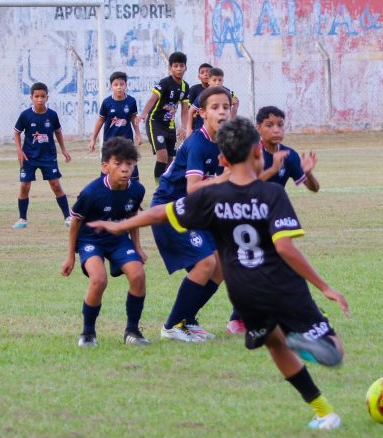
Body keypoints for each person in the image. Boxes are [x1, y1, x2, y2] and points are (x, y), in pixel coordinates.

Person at [89, 116, 351, 430]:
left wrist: (121, 224)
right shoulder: (272, 195)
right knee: (334, 351)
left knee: (274, 345)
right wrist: (324, 287)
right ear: (258, 151)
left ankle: (323, 412)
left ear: (223, 159)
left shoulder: (211, 196)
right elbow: (285, 249)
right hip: (282, 285)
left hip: (244, 291)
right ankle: (303, 347)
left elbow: (162, 212)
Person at [149, 86, 232, 342]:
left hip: (194, 211)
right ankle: (172, 325)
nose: (221, 112)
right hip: (169, 209)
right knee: (206, 263)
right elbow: (193, 188)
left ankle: (189, 319)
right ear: (202, 114)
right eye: (215, 107)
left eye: (226, 107)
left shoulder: (226, 143)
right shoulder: (197, 143)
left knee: (221, 265)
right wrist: (225, 179)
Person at [62, 137, 148, 347]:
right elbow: (75, 223)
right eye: (118, 164)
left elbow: (132, 217)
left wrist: (137, 247)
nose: (125, 169)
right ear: (105, 166)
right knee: (99, 279)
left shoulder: (137, 190)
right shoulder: (92, 193)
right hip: (91, 240)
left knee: (138, 275)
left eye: (129, 164)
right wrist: (70, 257)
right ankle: (88, 333)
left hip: (119, 240)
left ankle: (132, 331)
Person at [12, 82, 72, 229]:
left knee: (56, 185)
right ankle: (22, 219)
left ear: (47, 97)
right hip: (29, 157)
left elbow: (58, 131)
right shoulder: (25, 115)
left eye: (42, 96)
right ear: (31, 97)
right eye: (37, 96)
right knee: (24, 186)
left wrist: (63, 149)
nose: (40, 99)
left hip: (48, 157)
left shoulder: (52, 115)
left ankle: (68, 217)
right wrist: (19, 150)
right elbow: (17, 132)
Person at [139, 51, 190, 182]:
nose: (179, 69)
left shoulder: (185, 87)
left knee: (171, 159)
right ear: (170, 68)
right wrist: (143, 114)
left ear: (186, 68)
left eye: (181, 66)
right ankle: (158, 188)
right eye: (175, 66)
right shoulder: (164, 83)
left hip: (170, 125)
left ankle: (166, 186)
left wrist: (184, 127)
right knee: (162, 155)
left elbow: (185, 111)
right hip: (155, 122)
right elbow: (152, 99)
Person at [88, 71, 142, 179]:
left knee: (132, 170)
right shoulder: (107, 102)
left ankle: (134, 192)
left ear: (126, 85)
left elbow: (133, 118)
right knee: (107, 171)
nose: (119, 87)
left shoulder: (131, 101)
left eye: (121, 84)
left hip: (127, 141)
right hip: (110, 142)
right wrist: (93, 138)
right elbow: (100, 120)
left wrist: (138, 134)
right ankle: (104, 192)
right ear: (111, 86)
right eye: (116, 85)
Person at [255, 106, 319, 192]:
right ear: (258, 129)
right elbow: (246, 186)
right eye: (269, 125)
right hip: (250, 205)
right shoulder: (250, 154)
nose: (276, 130)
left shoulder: (290, 155)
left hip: (276, 204)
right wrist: (274, 169)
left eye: (280, 125)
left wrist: (308, 174)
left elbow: (314, 188)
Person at [190, 68, 240, 132]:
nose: (217, 83)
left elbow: (236, 101)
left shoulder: (227, 92)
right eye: (214, 80)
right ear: (209, 81)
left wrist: (233, 113)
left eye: (220, 80)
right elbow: (190, 111)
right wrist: (189, 129)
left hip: (220, 129)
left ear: (223, 80)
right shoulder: (203, 95)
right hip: (203, 128)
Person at [184, 62, 212, 132]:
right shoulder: (193, 89)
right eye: (202, 72)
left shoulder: (219, 89)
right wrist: (194, 115)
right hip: (198, 126)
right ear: (199, 77)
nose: (205, 74)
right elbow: (187, 110)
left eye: (208, 72)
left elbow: (235, 101)